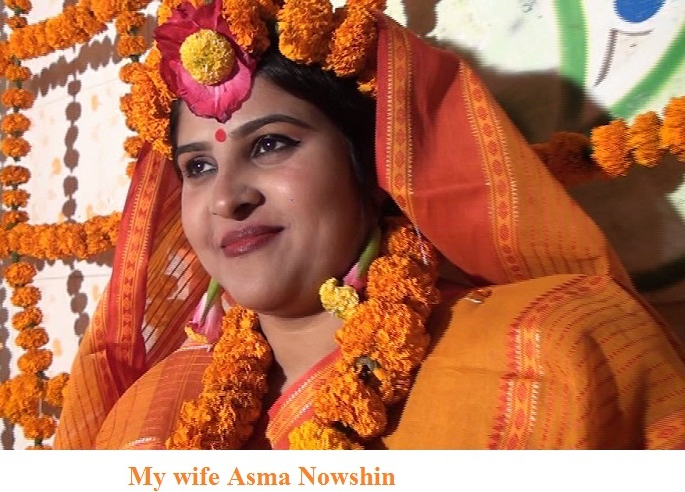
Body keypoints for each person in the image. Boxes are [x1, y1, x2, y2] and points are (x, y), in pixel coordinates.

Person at [54, 0, 685, 449]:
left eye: (271, 144)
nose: (226, 199)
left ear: (374, 164)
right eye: (197, 166)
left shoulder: (561, 350)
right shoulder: (147, 416)